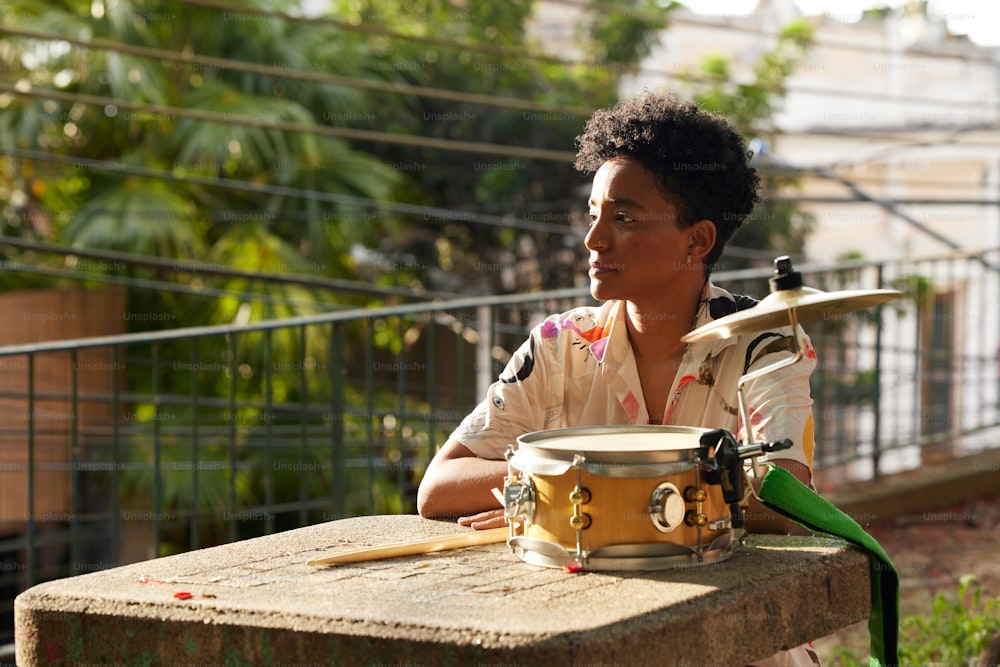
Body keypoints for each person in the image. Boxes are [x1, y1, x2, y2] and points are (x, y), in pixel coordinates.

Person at [418, 91, 821, 666]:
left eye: (624, 217)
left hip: (737, 640)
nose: (594, 239)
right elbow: (438, 487)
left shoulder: (766, 341)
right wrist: (558, 490)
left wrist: (567, 497)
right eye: (593, 215)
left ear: (697, 240)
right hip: (592, 634)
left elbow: (787, 501)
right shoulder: (559, 343)